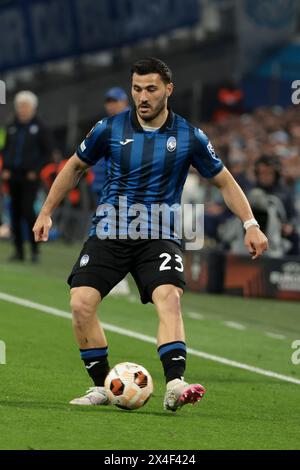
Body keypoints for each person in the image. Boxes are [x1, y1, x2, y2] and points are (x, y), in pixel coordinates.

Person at [33, 58, 268, 411]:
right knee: (80, 304)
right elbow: (75, 167)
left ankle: (175, 382)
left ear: (168, 90)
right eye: (137, 89)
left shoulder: (189, 136)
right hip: (110, 231)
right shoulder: (109, 128)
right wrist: (46, 211)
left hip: (158, 233)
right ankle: (101, 386)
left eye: (151, 89)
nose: (142, 97)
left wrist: (250, 223)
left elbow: (223, 181)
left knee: (169, 297)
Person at [2, 91, 53, 262]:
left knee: (28, 211)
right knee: (14, 213)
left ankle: (34, 249)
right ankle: (18, 251)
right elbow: (7, 150)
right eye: (19, 106)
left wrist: (36, 170)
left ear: (33, 108)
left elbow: (48, 153)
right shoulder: (11, 126)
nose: (22, 109)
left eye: (25, 106)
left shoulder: (40, 127)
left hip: (30, 177)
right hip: (13, 176)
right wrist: (6, 168)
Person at [91, 87, 130, 295]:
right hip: (104, 188)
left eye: (115, 101)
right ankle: (112, 278)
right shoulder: (106, 126)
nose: (111, 105)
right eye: (109, 101)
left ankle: (119, 279)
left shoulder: (132, 124)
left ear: (124, 102)